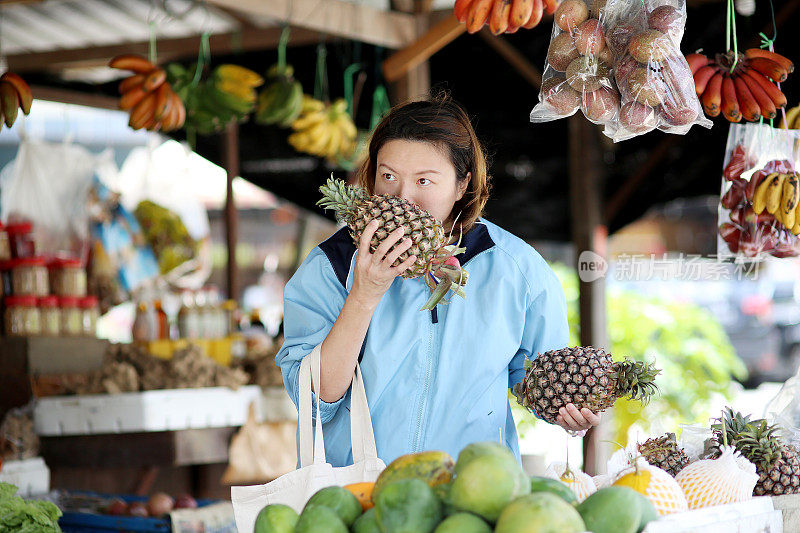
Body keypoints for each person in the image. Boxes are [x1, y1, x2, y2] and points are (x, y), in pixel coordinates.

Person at [276, 94, 600, 467]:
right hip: (357, 495)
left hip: (471, 491)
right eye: (388, 176)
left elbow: (537, 383)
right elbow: (315, 404)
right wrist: (364, 295)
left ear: (462, 185)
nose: (403, 197)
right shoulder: (331, 266)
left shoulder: (517, 270)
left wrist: (566, 409)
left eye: (425, 180)